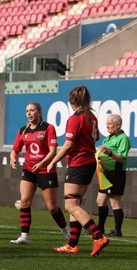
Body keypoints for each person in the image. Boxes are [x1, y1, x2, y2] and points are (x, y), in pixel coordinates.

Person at [47, 86, 109, 256]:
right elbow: (95, 138)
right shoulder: (92, 116)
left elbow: (68, 145)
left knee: (70, 205)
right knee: (76, 205)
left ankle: (98, 236)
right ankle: (72, 244)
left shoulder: (75, 118)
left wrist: (52, 161)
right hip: (89, 162)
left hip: (79, 163)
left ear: (72, 101)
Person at [9, 102, 69, 244]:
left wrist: (42, 164)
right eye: (27, 111)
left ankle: (66, 231)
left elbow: (53, 151)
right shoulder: (23, 130)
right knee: (24, 201)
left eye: (32, 110)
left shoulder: (48, 128)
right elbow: (15, 149)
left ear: (40, 112)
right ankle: (24, 236)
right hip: (29, 169)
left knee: (52, 207)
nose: (29, 113)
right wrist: (13, 158)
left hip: (46, 170)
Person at [96, 114, 131, 237]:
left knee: (114, 202)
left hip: (116, 173)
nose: (107, 126)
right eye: (107, 123)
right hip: (105, 173)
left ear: (118, 125)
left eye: (109, 123)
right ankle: (100, 229)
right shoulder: (108, 138)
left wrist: (108, 152)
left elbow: (121, 158)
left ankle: (117, 231)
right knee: (100, 200)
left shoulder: (123, 138)